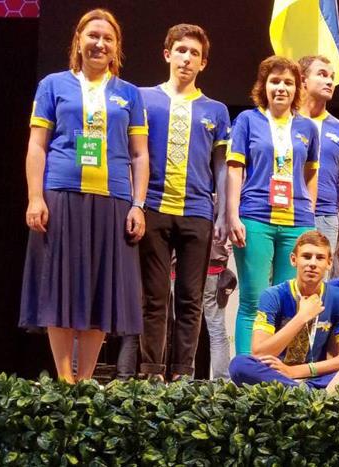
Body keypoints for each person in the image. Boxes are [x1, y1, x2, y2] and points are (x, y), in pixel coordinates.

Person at [21, 9, 149, 383]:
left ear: (116, 47)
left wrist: (138, 205)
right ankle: (65, 381)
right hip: (61, 196)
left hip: (114, 201)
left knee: (100, 291)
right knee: (59, 288)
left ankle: (86, 381)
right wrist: (35, 197)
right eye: (92, 35)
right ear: (78, 41)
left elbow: (140, 155)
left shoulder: (129, 94)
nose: (99, 43)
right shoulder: (52, 85)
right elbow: (37, 145)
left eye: (108, 38)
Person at [138, 24, 230, 381]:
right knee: (155, 296)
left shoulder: (216, 110)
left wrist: (222, 213)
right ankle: (151, 371)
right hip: (153, 208)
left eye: (194, 53)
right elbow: (133, 154)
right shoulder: (143, 99)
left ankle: (182, 374)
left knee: (191, 298)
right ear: (167, 54)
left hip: (197, 213)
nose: (187, 58)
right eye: (181, 50)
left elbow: (221, 166)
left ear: (203, 63)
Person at [226, 56, 320, 355]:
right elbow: (234, 170)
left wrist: (309, 210)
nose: (281, 88)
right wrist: (232, 215)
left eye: (288, 82)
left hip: (297, 223)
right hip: (255, 218)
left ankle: (276, 372)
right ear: (263, 85)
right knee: (253, 299)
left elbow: (311, 173)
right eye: (275, 81)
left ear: (297, 88)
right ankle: (244, 370)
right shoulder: (247, 120)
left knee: (287, 301)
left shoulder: (308, 127)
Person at [228, 231, 339, 387]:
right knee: (239, 365)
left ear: (329, 263)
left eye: (320, 258)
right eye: (306, 256)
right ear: (293, 260)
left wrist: (294, 371)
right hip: (276, 373)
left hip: (316, 374)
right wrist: (301, 317)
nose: (313, 263)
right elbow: (260, 353)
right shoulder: (273, 295)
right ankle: (306, 391)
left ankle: (301, 389)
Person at [297, 55, 339, 277]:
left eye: (332, 77)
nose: (330, 81)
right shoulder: (283, 123)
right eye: (322, 74)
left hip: (325, 216)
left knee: (320, 285)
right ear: (302, 80)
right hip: (283, 214)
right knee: (280, 284)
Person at [203, 234, 234, 380]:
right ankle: (222, 382)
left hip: (180, 264)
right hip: (212, 261)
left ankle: (183, 381)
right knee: (216, 327)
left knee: (184, 326)